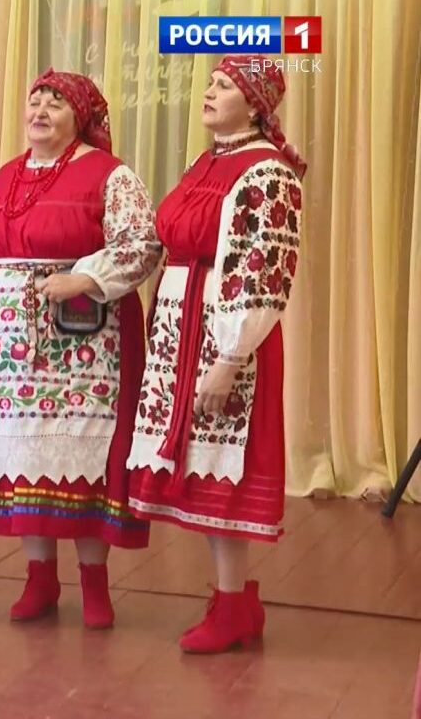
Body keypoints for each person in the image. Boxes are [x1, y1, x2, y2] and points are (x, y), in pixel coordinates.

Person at [0, 70, 162, 628]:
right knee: (26, 460)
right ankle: (40, 579)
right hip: (4, 348)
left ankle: (94, 584)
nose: (41, 110)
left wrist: (84, 278)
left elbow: (142, 244)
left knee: (81, 461)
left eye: (56, 102)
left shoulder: (109, 174)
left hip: (82, 344)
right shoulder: (6, 175)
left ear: (81, 116)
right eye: (35, 101)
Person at [127, 55, 307, 653]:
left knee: (224, 471)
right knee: (199, 470)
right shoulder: (205, 163)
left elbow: (263, 269)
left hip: (228, 334)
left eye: (224, 85)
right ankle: (238, 601)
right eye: (210, 82)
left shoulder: (267, 171)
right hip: (180, 327)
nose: (208, 91)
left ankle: (232, 606)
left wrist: (229, 357)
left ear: (255, 104)